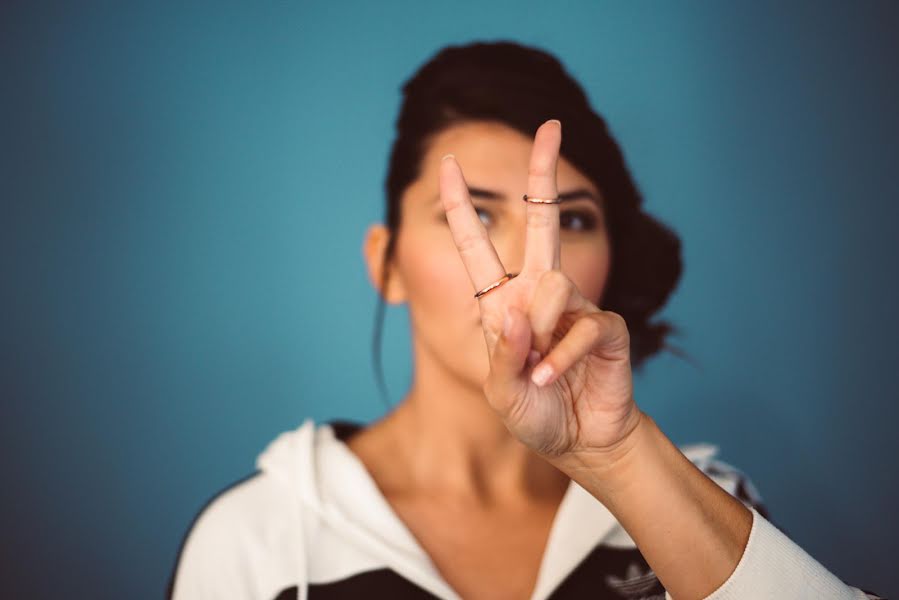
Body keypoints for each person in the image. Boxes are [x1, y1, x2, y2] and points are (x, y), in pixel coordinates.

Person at [167, 41, 885, 600]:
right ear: (385, 264)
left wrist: (621, 457)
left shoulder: (703, 506)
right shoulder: (256, 538)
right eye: (473, 215)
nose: (523, 267)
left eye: (571, 219)